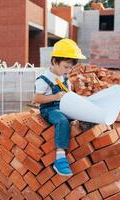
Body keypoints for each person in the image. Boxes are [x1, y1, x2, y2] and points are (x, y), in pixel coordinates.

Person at [33, 39, 86, 176]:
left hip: (63, 106)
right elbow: (36, 99)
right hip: (50, 109)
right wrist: (55, 97)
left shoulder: (64, 78)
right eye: (65, 66)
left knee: (80, 116)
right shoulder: (43, 79)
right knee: (62, 120)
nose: (68, 70)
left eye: (70, 68)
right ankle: (60, 157)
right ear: (54, 61)